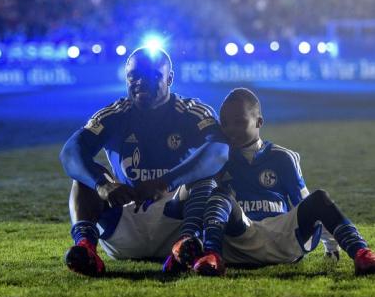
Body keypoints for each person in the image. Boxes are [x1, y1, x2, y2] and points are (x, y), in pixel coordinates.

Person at [59, 46, 229, 276]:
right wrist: (103, 184)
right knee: (85, 179)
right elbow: (70, 151)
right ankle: (86, 248)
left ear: (170, 78)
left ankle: (184, 246)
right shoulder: (115, 113)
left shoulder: (191, 111)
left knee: (207, 177)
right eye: (134, 76)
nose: (141, 82)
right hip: (126, 221)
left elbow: (219, 150)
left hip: (176, 222)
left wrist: (165, 183)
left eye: (153, 76)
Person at [191, 88, 375, 276]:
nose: (231, 129)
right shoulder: (218, 160)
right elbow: (197, 204)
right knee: (219, 196)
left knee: (319, 198)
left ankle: (362, 254)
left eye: (239, 122)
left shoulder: (283, 157)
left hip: (282, 239)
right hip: (240, 240)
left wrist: (331, 246)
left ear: (259, 122)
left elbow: (306, 205)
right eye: (226, 124)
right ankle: (212, 257)